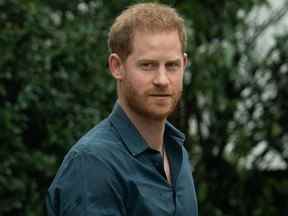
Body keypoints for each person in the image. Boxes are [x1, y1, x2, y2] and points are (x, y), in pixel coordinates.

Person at [46, 2, 198, 216]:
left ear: (184, 64)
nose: (162, 80)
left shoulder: (177, 154)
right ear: (117, 66)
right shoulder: (93, 163)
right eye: (148, 65)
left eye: (172, 65)